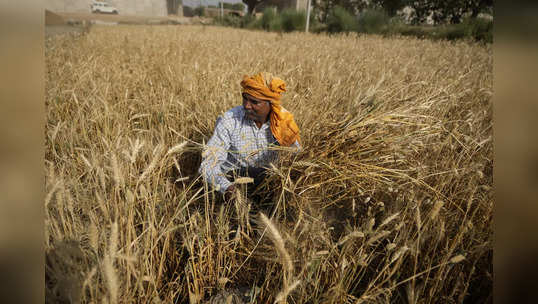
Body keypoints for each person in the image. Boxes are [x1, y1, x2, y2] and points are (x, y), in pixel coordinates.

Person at [199, 72, 300, 201]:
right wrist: (227, 188)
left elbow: (295, 158)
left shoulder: (284, 122)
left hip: (271, 187)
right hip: (234, 184)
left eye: (254, 102)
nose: (246, 105)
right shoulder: (230, 120)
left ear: (271, 104)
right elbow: (207, 165)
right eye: (245, 98)